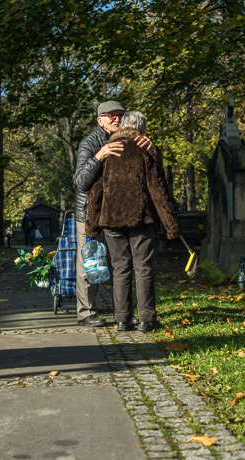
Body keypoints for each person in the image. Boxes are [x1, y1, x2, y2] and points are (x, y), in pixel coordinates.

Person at [85, 111, 181, 332]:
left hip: (111, 219)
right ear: (142, 129)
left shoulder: (109, 150)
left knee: (120, 269)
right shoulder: (146, 150)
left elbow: (96, 190)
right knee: (144, 268)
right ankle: (146, 319)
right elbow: (157, 189)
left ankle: (122, 320)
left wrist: (92, 224)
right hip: (140, 217)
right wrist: (171, 225)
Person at [74, 101, 155, 327]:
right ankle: (86, 313)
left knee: (121, 265)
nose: (117, 119)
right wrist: (99, 156)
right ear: (100, 120)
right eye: (111, 116)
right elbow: (80, 182)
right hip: (88, 212)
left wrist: (149, 147)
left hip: (115, 214)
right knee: (90, 263)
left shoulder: (129, 139)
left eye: (120, 115)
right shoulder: (89, 143)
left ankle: (127, 314)